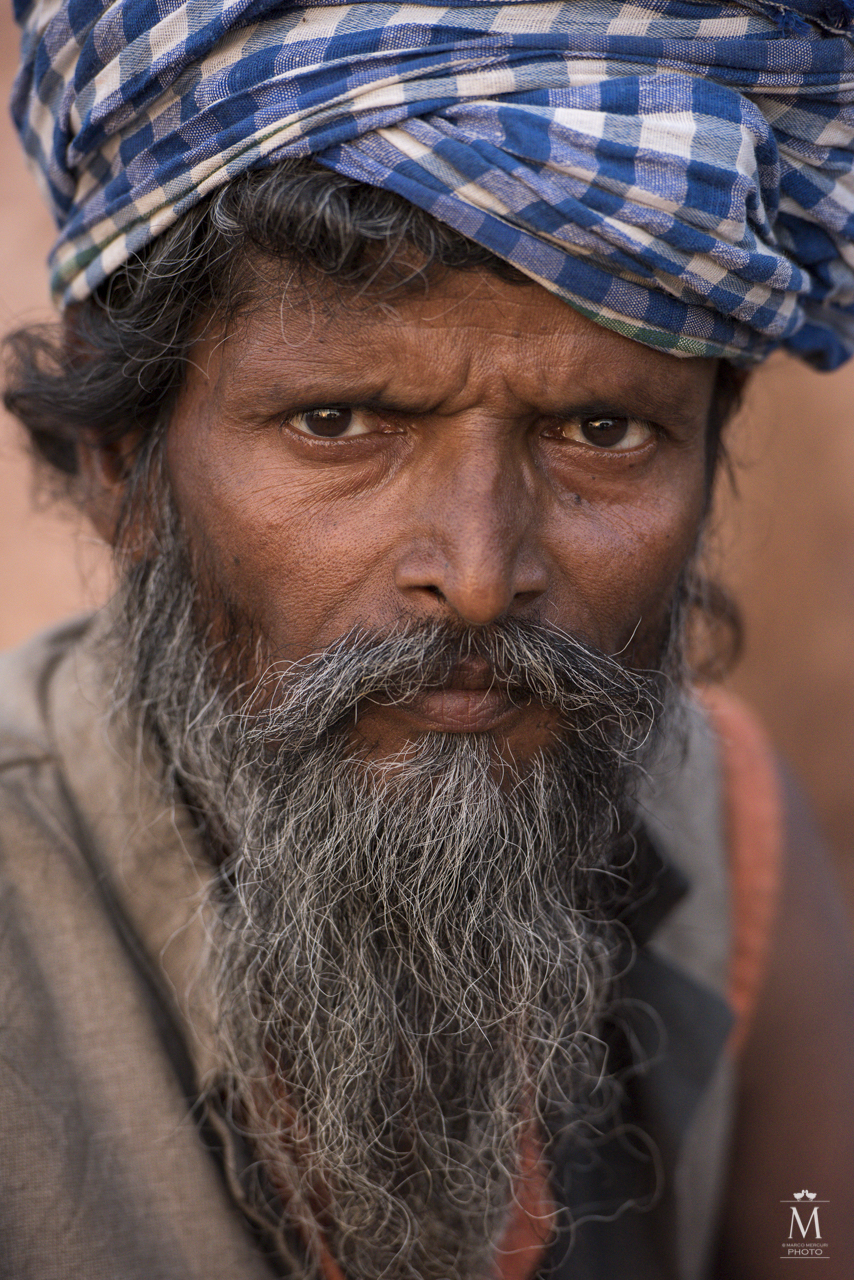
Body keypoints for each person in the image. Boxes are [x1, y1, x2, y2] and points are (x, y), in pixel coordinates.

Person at [2, 0, 854, 1277]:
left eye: (601, 431)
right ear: (125, 456)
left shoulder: (716, 817)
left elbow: (815, 1234)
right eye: (339, 421)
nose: (474, 572)